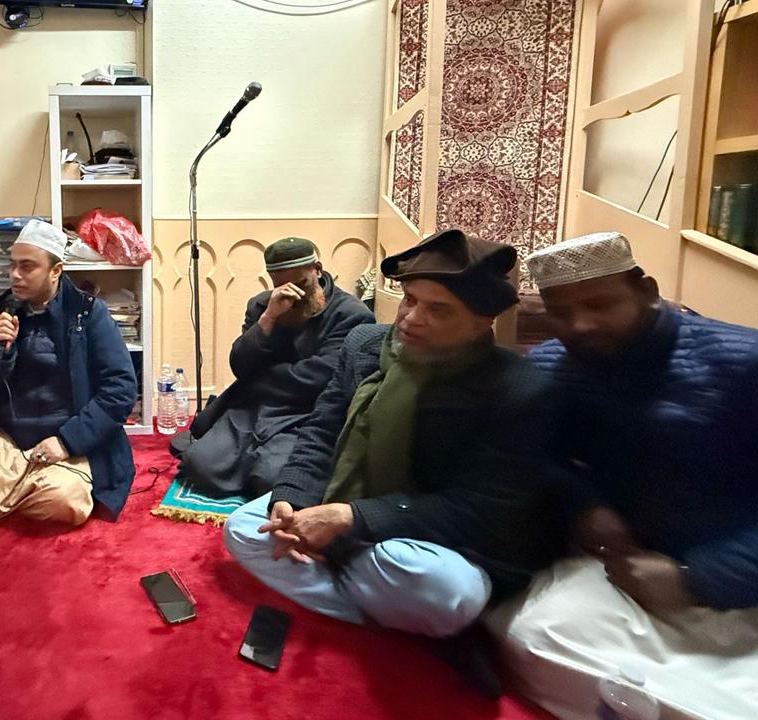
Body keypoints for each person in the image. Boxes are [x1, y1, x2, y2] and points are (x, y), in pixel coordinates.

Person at [222, 229, 568, 698]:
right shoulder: (366, 345)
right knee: (244, 529)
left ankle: (399, 601)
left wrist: (350, 518)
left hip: (438, 539)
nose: (410, 318)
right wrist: (291, 498)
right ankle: (407, 619)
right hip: (354, 513)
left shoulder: (520, 390)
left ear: (481, 322)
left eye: (438, 310)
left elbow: (478, 509)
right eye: (409, 300)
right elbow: (322, 430)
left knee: (446, 592)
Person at [487, 232, 758, 720]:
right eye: (561, 313)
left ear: (647, 290)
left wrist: (698, 579)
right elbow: (539, 459)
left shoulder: (743, 362)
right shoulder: (551, 366)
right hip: (627, 577)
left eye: (599, 304)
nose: (580, 325)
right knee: (533, 636)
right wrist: (585, 506)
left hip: (740, 584)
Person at [0, 220, 137, 526]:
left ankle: (24, 487)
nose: (15, 275)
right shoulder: (3, 312)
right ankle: (26, 483)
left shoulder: (88, 314)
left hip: (69, 434)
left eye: (27, 266)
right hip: (12, 434)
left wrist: (66, 442)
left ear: (55, 271)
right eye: (12, 265)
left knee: (62, 501)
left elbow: (120, 390)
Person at [176, 237, 373, 498]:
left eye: (301, 284)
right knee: (200, 465)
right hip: (254, 407)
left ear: (317, 269)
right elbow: (240, 365)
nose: (294, 295)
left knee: (272, 477)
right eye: (283, 286)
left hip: (307, 413)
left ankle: (258, 467)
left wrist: (257, 378)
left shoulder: (350, 314)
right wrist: (268, 319)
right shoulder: (262, 306)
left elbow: (319, 378)